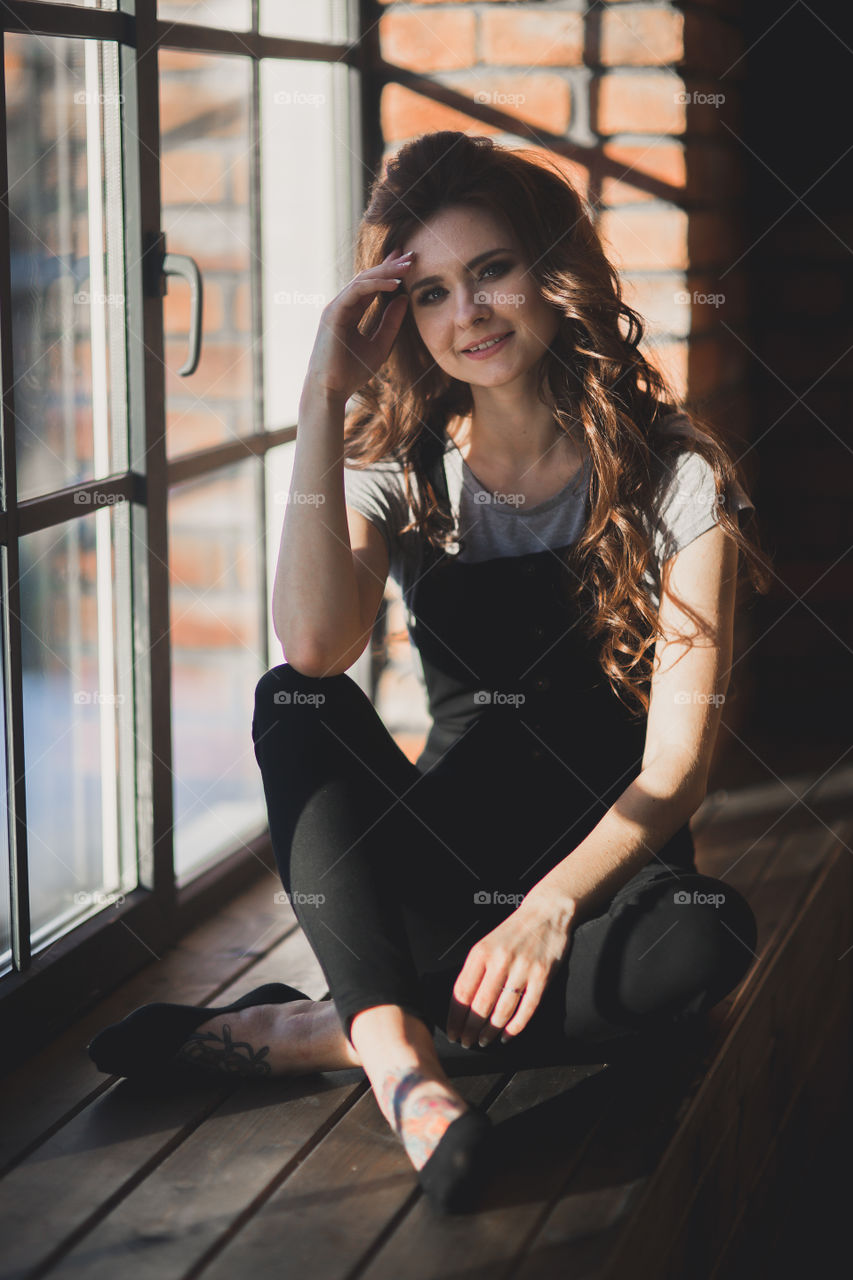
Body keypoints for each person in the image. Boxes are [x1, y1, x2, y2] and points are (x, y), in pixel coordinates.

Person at [88, 131, 772, 1214]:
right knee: (293, 699)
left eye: (491, 270)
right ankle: (405, 1068)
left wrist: (547, 909)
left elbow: (678, 768)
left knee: (708, 933)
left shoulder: (673, 472)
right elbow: (312, 651)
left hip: (602, 885)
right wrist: (322, 395)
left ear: (554, 270)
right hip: (444, 867)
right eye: (431, 293)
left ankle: (326, 1028)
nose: (469, 314)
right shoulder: (401, 468)